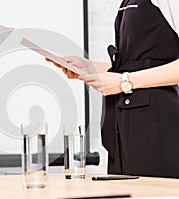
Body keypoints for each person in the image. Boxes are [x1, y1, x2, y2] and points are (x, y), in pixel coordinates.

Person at [49, 0, 179, 178]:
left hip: (158, 126)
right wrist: (89, 67)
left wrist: (124, 82)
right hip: (123, 127)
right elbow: (137, 64)